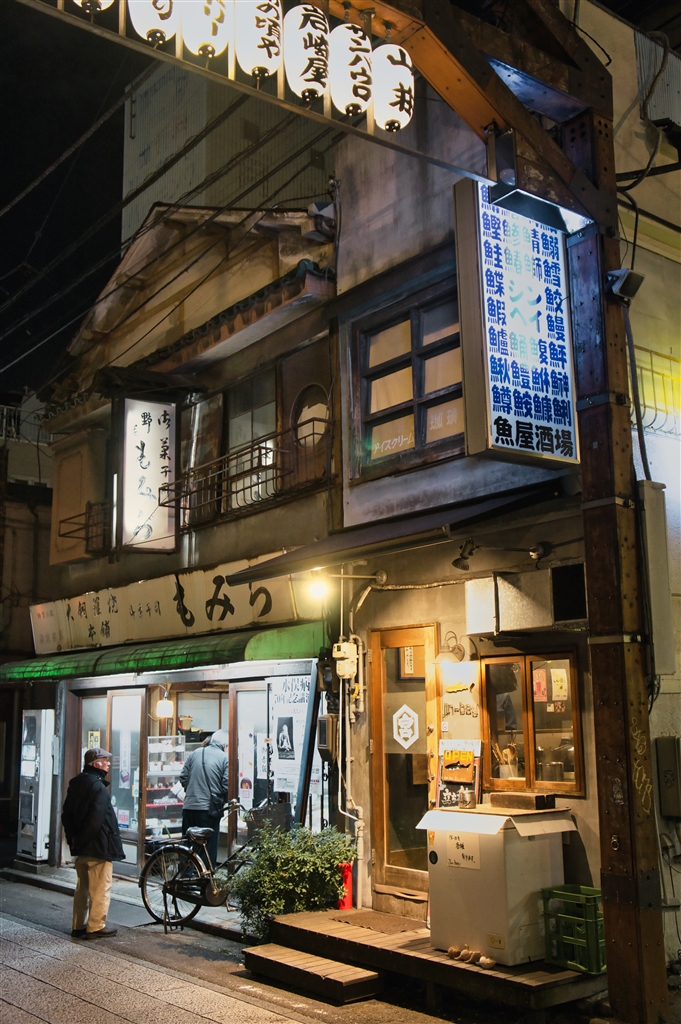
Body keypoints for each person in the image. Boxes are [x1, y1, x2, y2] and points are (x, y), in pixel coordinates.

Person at [61, 747, 125, 939]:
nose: (108, 765)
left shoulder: (76, 783)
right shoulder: (98, 787)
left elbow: (66, 814)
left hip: (81, 847)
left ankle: (78, 925)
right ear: (96, 764)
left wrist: (73, 839)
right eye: (105, 761)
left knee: (82, 888)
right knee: (100, 888)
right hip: (98, 846)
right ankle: (96, 926)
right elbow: (96, 820)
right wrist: (82, 840)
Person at [179, 729, 229, 868]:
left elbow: (183, 777)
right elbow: (226, 785)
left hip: (189, 807)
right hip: (208, 810)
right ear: (225, 745)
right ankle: (204, 878)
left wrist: (193, 791)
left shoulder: (196, 753)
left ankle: (184, 876)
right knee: (207, 848)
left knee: (188, 846)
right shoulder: (224, 758)